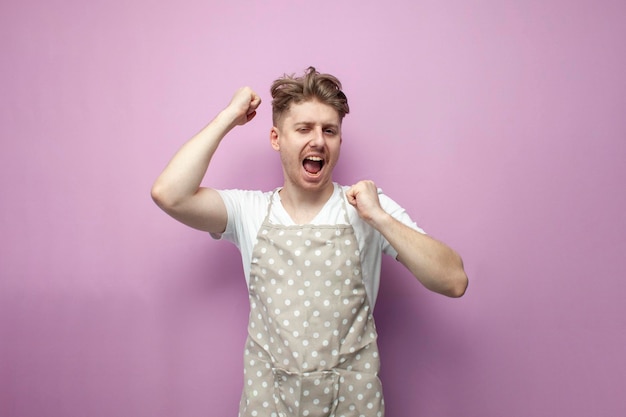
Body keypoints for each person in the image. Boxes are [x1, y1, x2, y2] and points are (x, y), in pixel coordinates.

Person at [151, 67, 468, 417]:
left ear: (339, 142)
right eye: (304, 128)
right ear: (276, 138)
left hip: (352, 407)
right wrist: (229, 117)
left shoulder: (367, 209)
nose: (318, 140)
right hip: (268, 405)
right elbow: (170, 194)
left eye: (329, 130)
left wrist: (379, 218)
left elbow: (453, 280)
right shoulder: (249, 210)